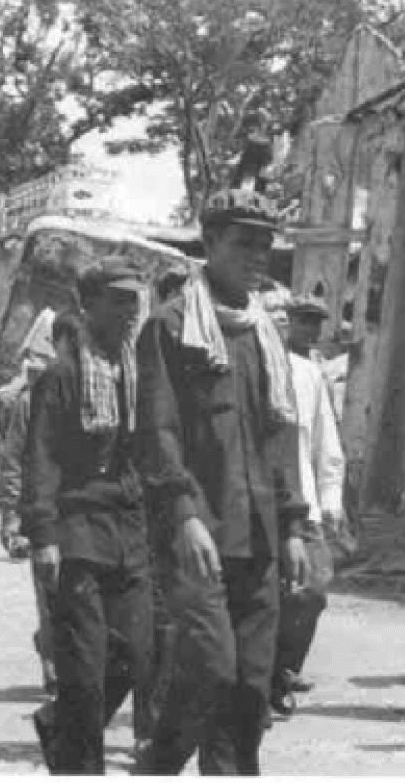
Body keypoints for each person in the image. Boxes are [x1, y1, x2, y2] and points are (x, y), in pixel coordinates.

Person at [135, 188, 309, 775]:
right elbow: (158, 430)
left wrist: (292, 527)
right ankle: (158, 764)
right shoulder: (171, 327)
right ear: (209, 244)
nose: (256, 256)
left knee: (252, 684)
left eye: (265, 245)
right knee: (212, 666)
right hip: (200, 531)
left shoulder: (265, 334)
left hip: (257, 533)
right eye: (243, 244)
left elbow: (279, 438)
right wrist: (183, 514)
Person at [24, 260, 156, 775]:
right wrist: (43, 536)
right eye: (118, 300)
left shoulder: (137, 371)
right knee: (83, 668)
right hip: (78, 530)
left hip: (129, 528)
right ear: (87, 305)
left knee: (135, 654)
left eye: (134, 300)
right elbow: (42, 457)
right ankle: (79, 767)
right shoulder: (62, 374)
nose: (129, 311)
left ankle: (60, 726)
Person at [269, 294, 345, 717]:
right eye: (301, 321)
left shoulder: (310, 374)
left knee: (312, 591)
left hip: (304, 505)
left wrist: (331, 499)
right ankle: (259, 685)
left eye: (315, 323)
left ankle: (283, 670)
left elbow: (324, 444)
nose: (308, 330)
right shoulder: (256, 364)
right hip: (262, 506)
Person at [0, 307, 63, 695]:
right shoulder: (27, 403)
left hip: (80, 514)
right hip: (39, 513)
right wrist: (9, 518)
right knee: (50, 591)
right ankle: (53, 666)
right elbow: (12, 460)